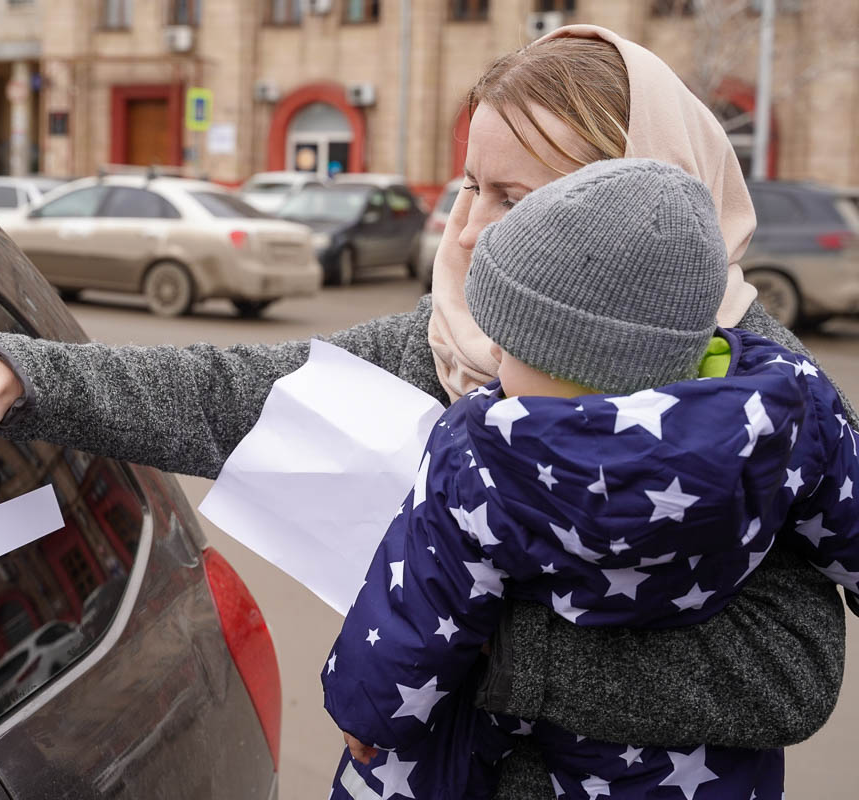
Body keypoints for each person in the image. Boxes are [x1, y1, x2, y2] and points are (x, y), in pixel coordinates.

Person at [0, 25, 854, 797]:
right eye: (472, 186)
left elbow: (789, 672)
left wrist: (466, 642)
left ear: (641, 198)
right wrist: (22, 377)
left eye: (522, 198)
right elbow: (234, 390)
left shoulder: (755, 395)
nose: (477, 230)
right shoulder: (449, 338)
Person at [324, 158, 859, 799]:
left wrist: (367, 708)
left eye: (510, 341)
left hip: (539, 751)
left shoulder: (483, 451)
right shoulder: (791, 407)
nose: (494, 354)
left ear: (564, 352)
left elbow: (418, 597)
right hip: (698, 769)